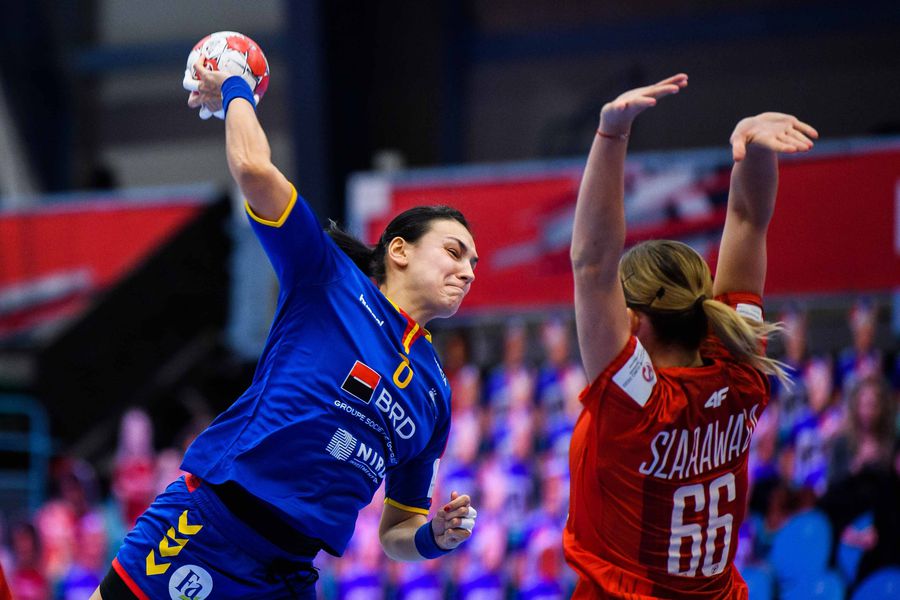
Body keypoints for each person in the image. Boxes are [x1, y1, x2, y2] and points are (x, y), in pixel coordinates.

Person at [93, 58, 478, 599]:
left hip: (289, 575)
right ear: (399, 251)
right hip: (205, 529)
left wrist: (433, 538)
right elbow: (253, 169)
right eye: (454, 251)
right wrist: (234, 85)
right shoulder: (326, 279)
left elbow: (397, 531)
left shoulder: (434, 395)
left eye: (475, 264)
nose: (466, 271)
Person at [564, 73, 818, 598]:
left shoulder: (639, 404)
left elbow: (592, 265)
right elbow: (747, 221)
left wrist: (611, 135)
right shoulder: (740, 370)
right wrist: (754, 147)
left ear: (633, 321)